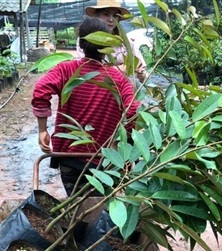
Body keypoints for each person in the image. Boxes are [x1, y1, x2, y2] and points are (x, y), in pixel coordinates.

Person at [31, 16, 140, 196]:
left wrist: (42, 129)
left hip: (69, 157)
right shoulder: (118, 79)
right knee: (98, 210)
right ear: (108, 47)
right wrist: (123, 144)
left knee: (76, 205)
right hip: (104, 159)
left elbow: (41, 89)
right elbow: (133, 111)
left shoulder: (66, 70)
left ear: (80, 44)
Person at [81, 0, 148, 83]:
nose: (111, 19)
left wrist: (142, 74)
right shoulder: (87, 39)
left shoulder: (126, 42)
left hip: (124, 91)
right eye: (106, 14)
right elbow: (85, 72)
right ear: (97, 16)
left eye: (115, 15)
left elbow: (143, 71)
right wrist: (125, 68)